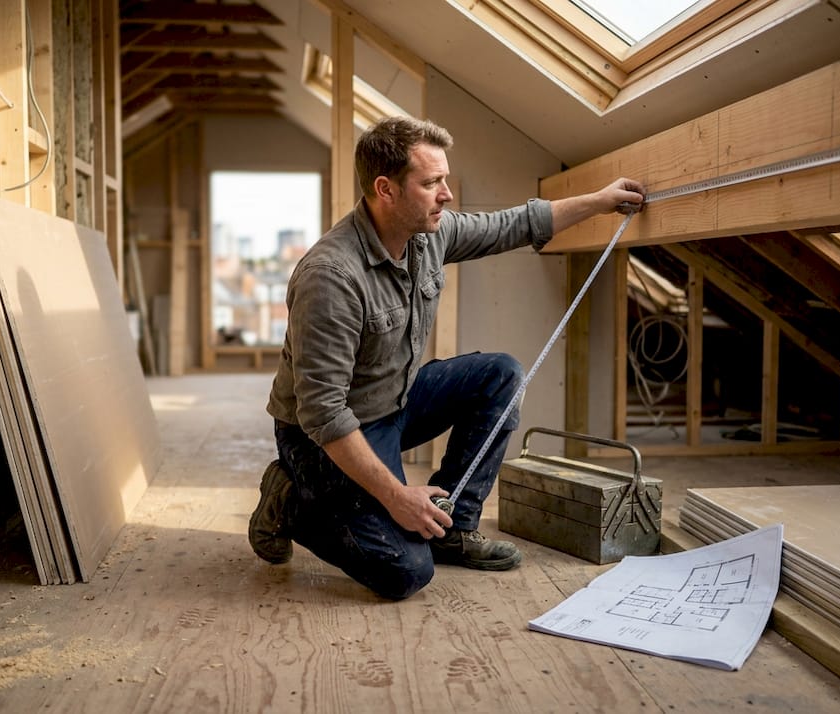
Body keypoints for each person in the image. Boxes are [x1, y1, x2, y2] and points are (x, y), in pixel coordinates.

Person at [249, 116, 643, 600]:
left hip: (394, 400)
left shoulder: (428, 234)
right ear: (385, 189)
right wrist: (398, 499)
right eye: (431, 182)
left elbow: (513, 225)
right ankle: (289, 501)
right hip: (322, 437)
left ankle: (454, 526)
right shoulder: (331, 277)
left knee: (500, 375)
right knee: (404, 572)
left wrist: (601, 201)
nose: (447, 194)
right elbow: (323, 414)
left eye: (445, 179)